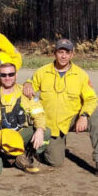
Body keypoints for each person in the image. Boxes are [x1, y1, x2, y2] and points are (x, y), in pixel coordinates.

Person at [23, 39, 98, 173]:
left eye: (67, 53)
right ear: (54, 53)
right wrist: (27, 84)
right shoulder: (43, 72)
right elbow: (30, 86)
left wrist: (84, 116)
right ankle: (36, 148)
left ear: (72, 55)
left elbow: (91, 99)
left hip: (73, 118)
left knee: (96, 114)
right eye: (60, 52)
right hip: (51, 123)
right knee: (55, 161)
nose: (63, 56)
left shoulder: (80, 75)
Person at [0, 56, 50, 176]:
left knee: (46, 132)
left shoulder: (26, 92)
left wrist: (39, 129)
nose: (7, 78)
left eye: (11, 74)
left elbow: (39, 114)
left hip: (19, 135)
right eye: (4, 75)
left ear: (16, 75)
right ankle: (11, 158)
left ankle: (26, 155)